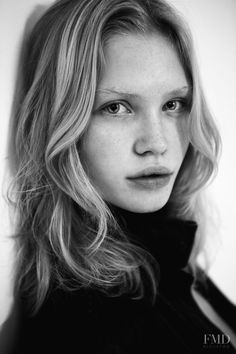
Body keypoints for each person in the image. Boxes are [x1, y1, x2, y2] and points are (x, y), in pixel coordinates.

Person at [2, 0, 236, 353]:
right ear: (58, 124)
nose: (157, 143)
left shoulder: (167, 255)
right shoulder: (95, 327)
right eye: (116, 107)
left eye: (173, 104)